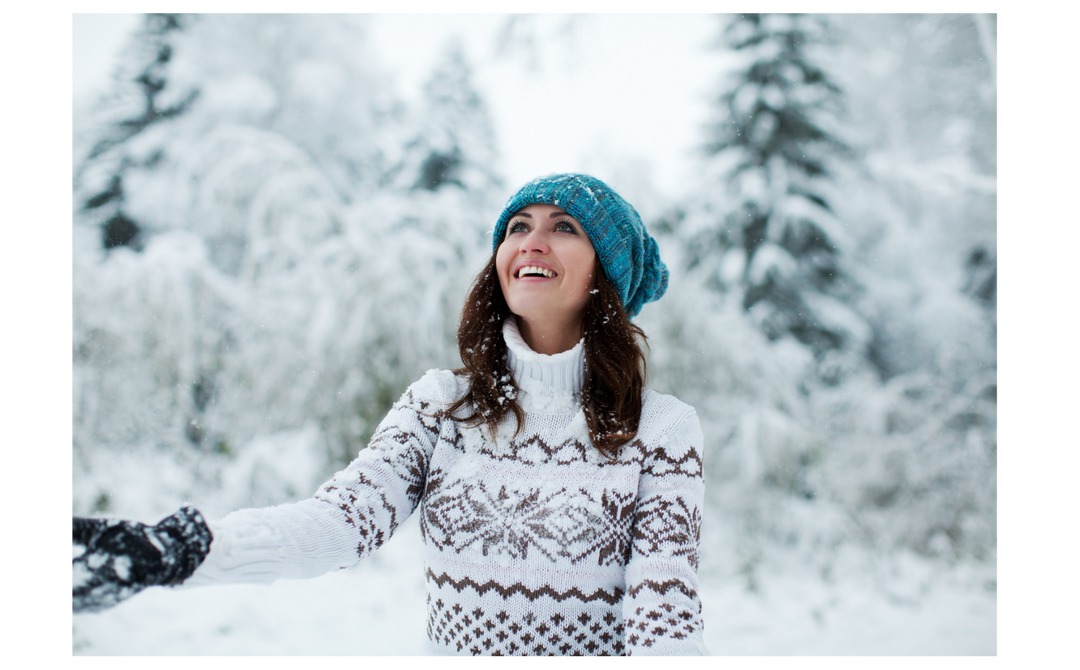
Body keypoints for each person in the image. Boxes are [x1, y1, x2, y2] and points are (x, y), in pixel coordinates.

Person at [69, 173, 707, 659]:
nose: (532, 240)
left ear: (608, 273)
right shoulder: (441, 407)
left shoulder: (661, 431)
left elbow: (664, 612)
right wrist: (182, 549)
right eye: (518, 226)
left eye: (565, 226)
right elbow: (338, 524)